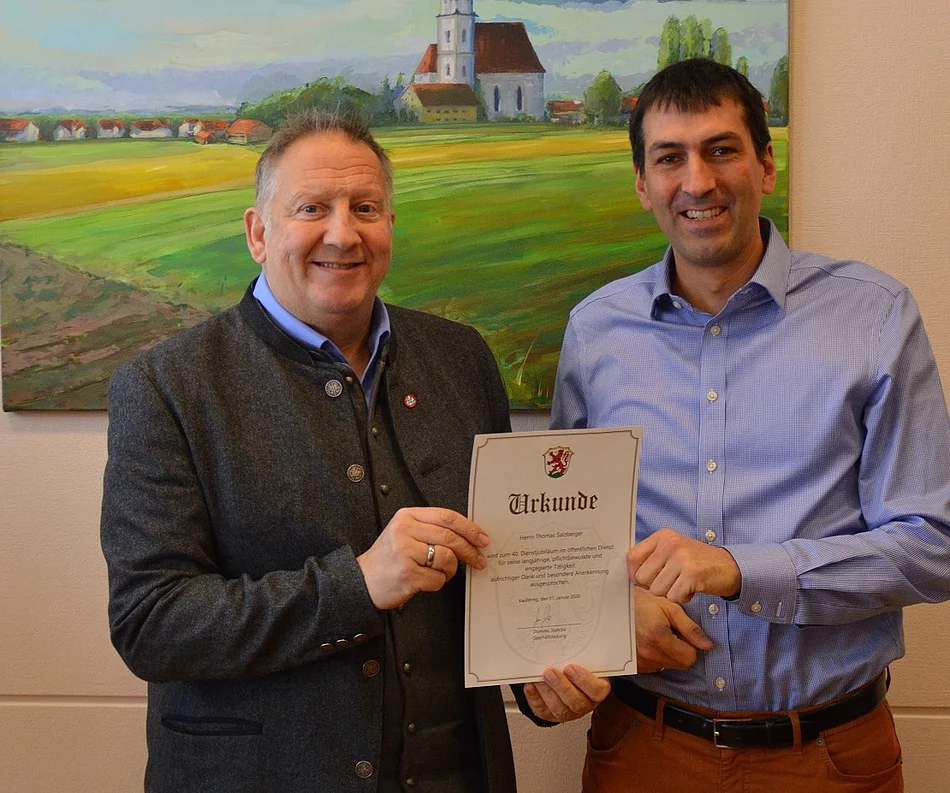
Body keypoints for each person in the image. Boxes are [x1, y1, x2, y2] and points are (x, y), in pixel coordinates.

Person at [541, 58, 950, 791]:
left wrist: (740, 567)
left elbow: (934, 543)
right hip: (644, 747)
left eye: (721, 149)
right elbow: (566, 536)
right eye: (669, 157)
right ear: (642, 185)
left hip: (828, 755)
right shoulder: (596, 331)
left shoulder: (876, 315)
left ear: (766, 162)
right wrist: (608, 610)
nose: (697, 181)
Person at [100, 110, 520, 793]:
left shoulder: (462, 359)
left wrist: (546, 670)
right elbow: (152, 622)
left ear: (390, 225)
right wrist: (356, 585)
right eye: (311, 208)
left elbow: (502, 565)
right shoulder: (166, 386)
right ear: (257, 233)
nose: (343, 232)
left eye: (365, 207)